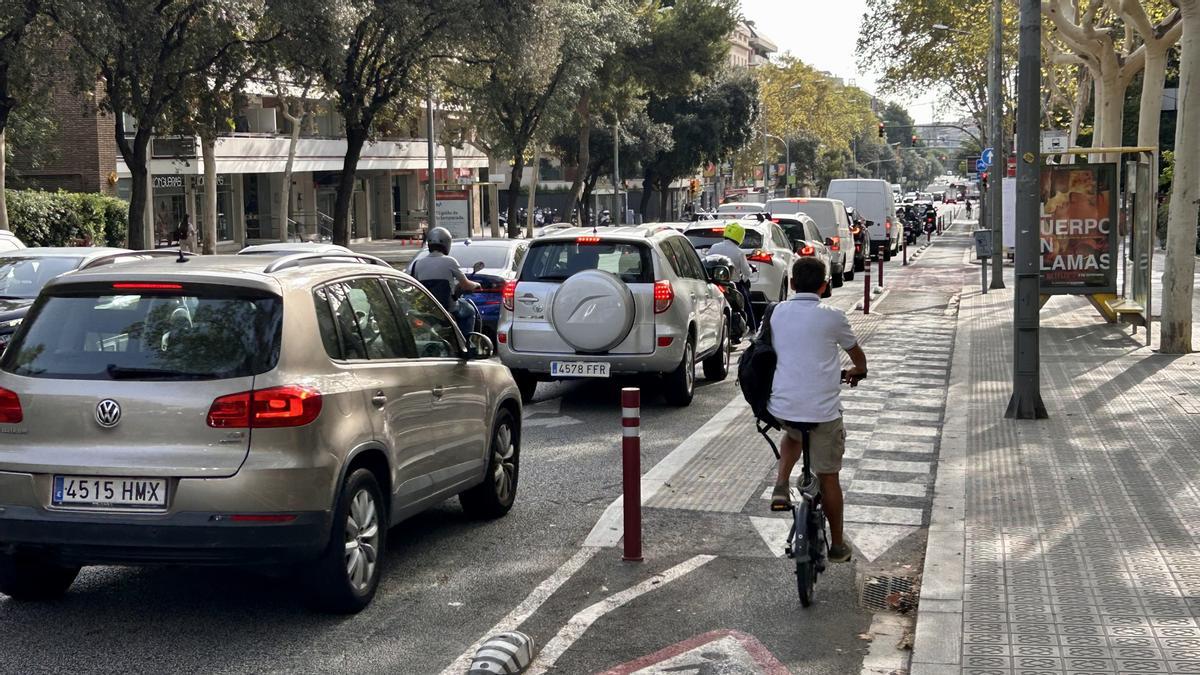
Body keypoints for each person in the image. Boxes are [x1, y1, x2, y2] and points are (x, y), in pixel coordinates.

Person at [767, 257, 868, 564]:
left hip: (783, 405)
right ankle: (837, 546)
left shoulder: (776, 312)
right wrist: (859, 369)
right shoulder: (833, 316)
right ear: (825, 286)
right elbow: (856, 355)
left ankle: (781, 485)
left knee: (794, 434)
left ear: (793, 284)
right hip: (823, 413)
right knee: (829, 477)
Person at [411, 227, 481, 338]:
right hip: (448, 308)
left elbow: (412, 287)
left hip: (425, 310)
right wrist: (477, 285)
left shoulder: (418, 264)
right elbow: (465, 284)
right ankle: (466, 344)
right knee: (470, 311)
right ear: (447, 243)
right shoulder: (450, 261)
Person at [708, 221, 757, 330]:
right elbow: (746, 272)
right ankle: (752, 328)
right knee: (746, 304)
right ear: (740, 236)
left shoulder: (714, 247)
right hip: (734, 284)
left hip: (716, 283)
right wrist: (751, 270)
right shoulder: (739, 252)